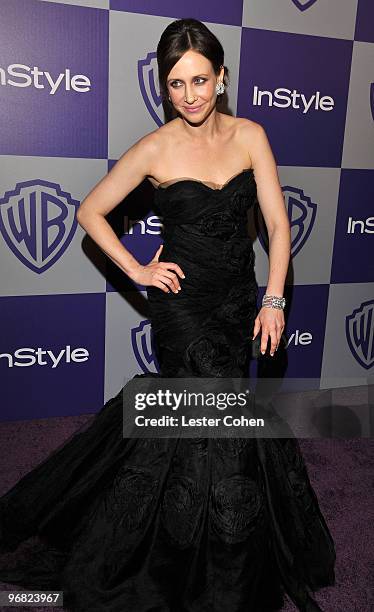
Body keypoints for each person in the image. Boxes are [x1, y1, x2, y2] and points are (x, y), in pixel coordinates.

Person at [0, 18, 335, 612]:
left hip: (238, 301)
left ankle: (208, 546)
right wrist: (137, 270)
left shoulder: (252, 136)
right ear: (163, 88)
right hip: (181, 310)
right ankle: (204, 569)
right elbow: (90, 211)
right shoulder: (155, 148)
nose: (190, 96)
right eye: (176, 84)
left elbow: (279, 226)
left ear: (222, 78)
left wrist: (274, 297)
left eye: (200, 80)